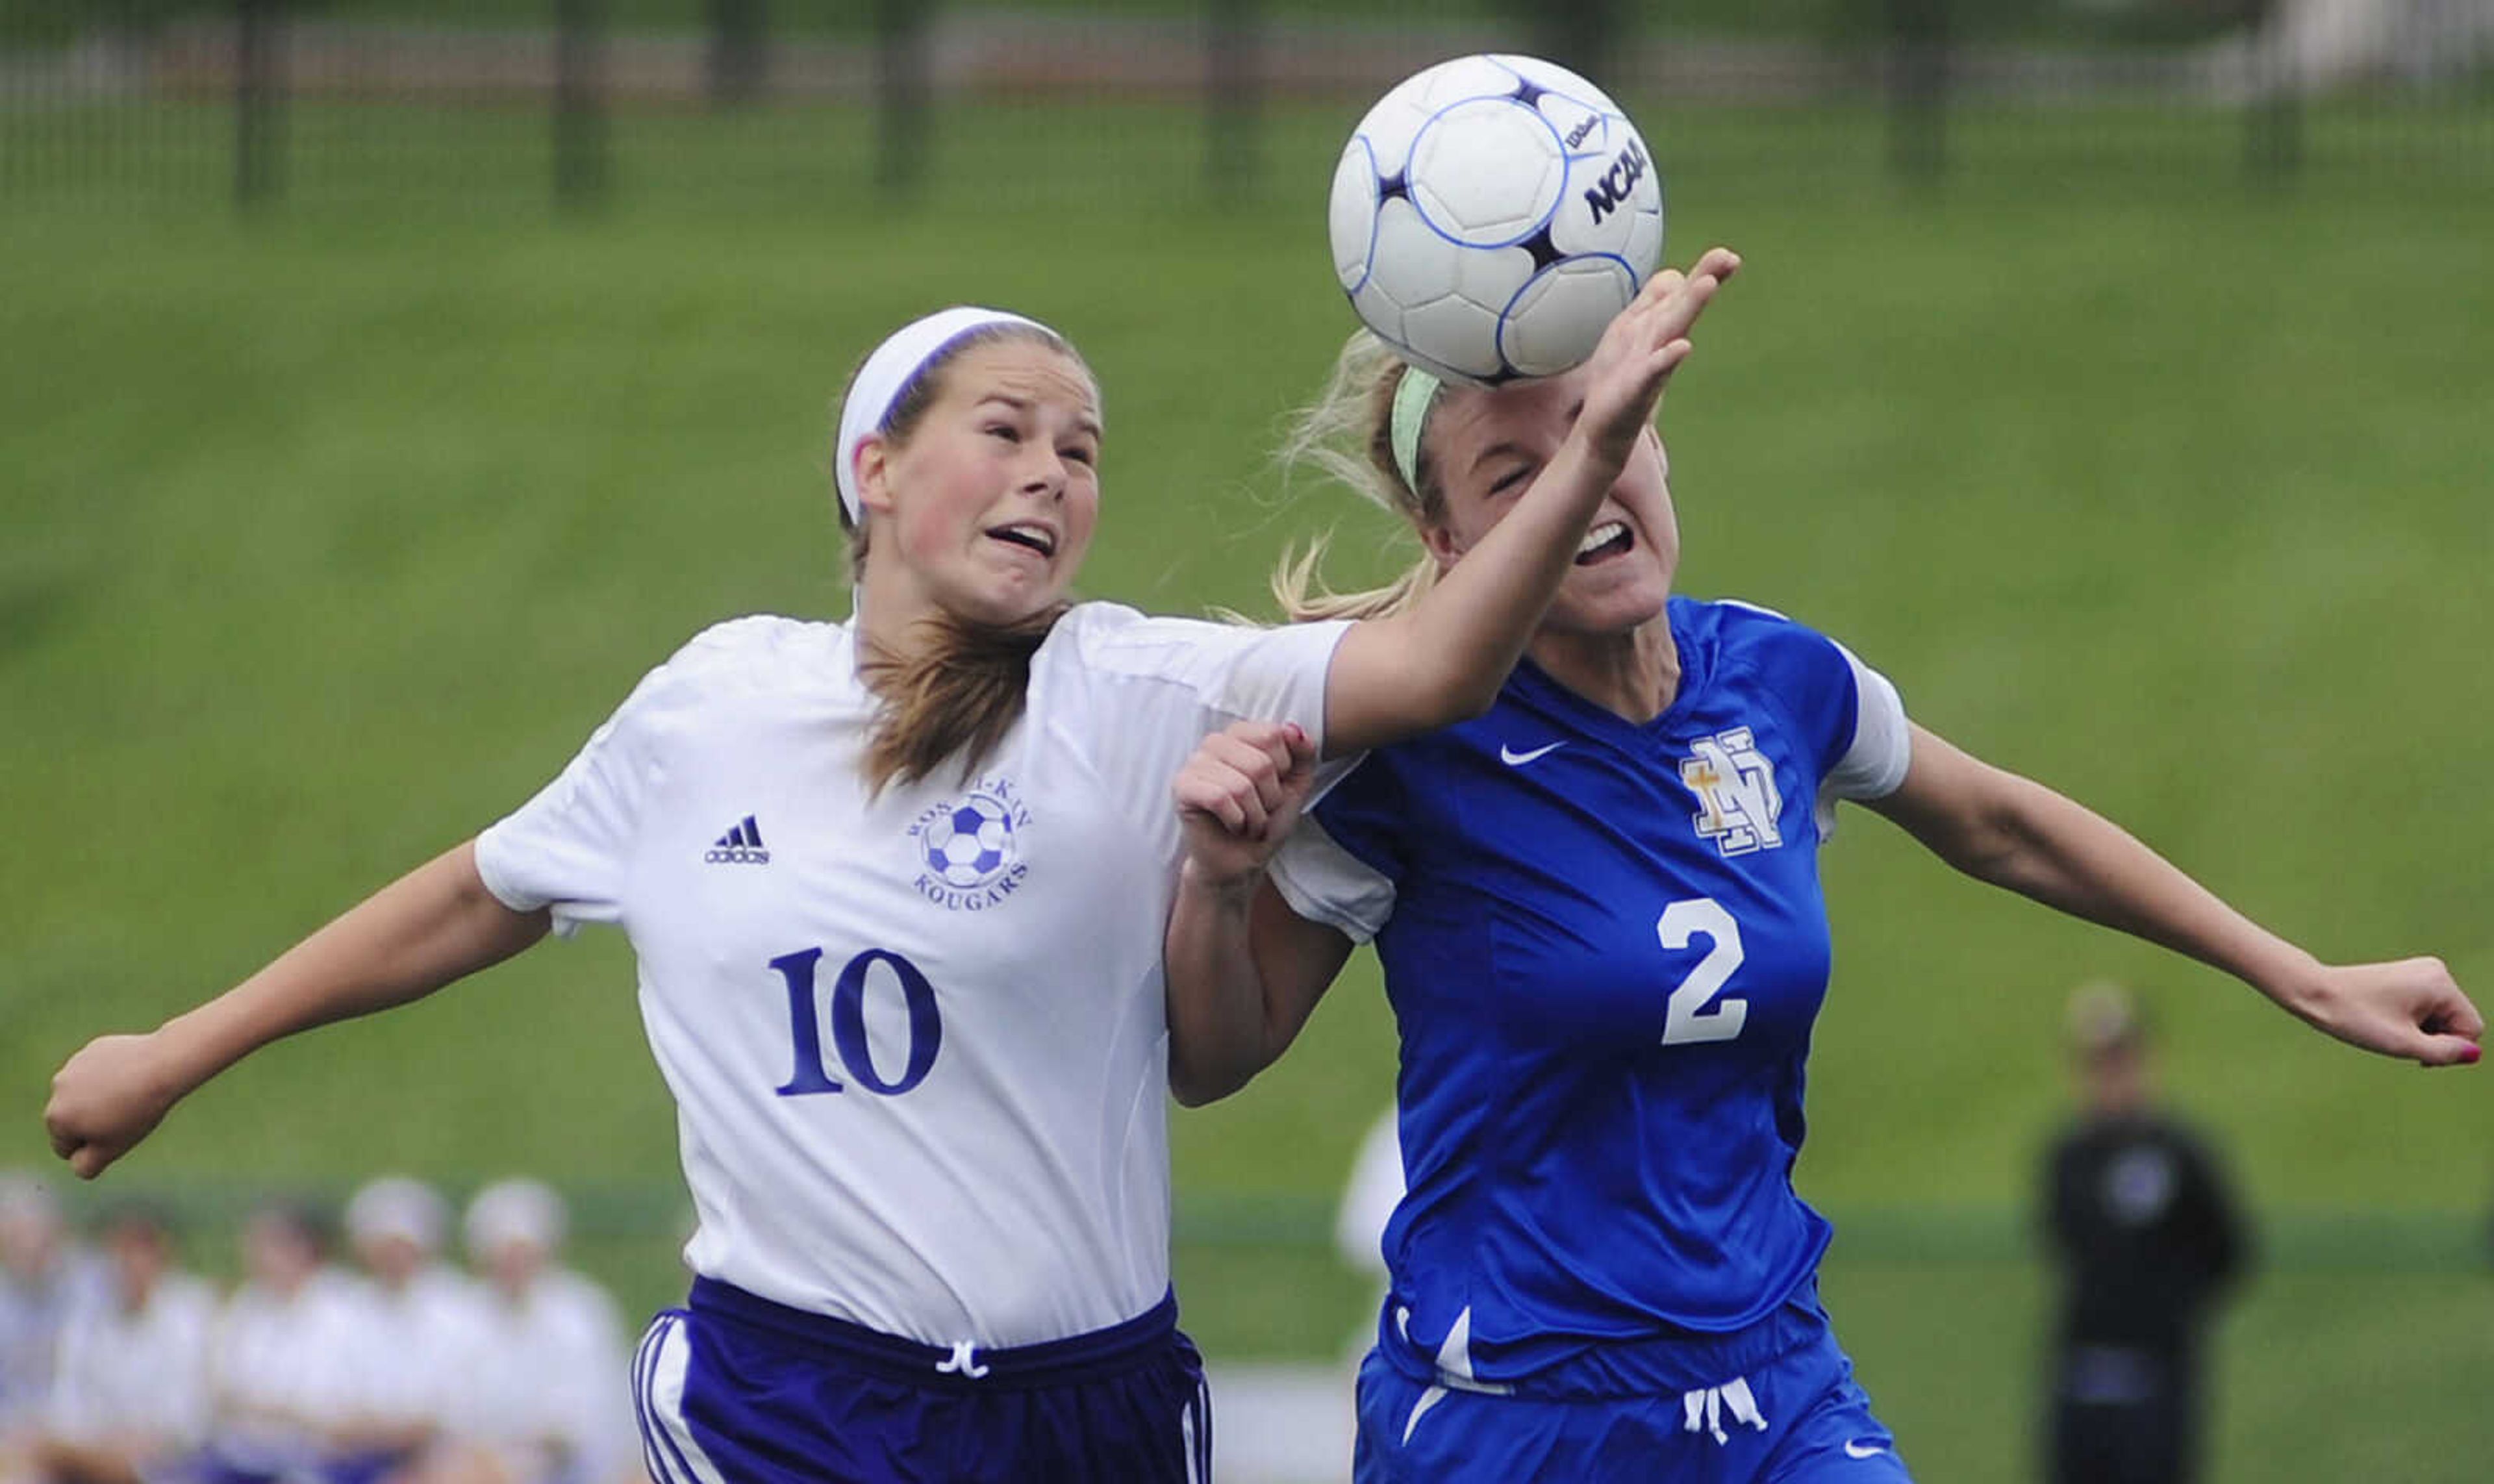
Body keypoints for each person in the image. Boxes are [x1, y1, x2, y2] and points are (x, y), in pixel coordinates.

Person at [42, 272, 1736, 1483]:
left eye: (1081, 450)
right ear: (874, 469)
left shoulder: (1135, 687)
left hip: (1090, 1405)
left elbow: (1434, 668)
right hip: (795, 1394)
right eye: (1006, 429)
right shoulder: (711, 705)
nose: (1054, 473)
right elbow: (479, 890)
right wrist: (181, 1045)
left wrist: (1586, 448)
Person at [1158, 325, 2483, 1483]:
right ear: (1452, 544)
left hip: (1773, 1389)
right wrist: (1218, 885)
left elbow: (2005, 823)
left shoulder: (1776, 681)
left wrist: (2302, 972)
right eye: (1523, 476)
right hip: (1515, 1422)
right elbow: (1218, 1052)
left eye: (1605, 432)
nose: (1589, 485)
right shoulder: (1409, 751)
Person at [2040, 983, 2248, 1484]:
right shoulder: (2067, 1156)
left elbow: (2227, 1247)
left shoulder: (2181, 1152)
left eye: (2120, 1060)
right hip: (2082, 1372)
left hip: (2158, 1378)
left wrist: (2169, 1307)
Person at [445, 1179, 634, 1484]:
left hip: (574, 1468)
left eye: (523, 1251)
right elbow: (456, 1407)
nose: (513, 1263)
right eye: (503, 1252)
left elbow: (579, 1421)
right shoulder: (466, 1313)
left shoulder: (582, 1312)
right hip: (483, 1462)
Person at [25, 1203, 217, 1484]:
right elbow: (70, 1396)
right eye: (118, 1252)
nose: (127, 1263)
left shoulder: (190, 1311)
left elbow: (188, 1415)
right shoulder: (90, 1313)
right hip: (94, 1447)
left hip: (170, 1459)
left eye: (137, 1252)